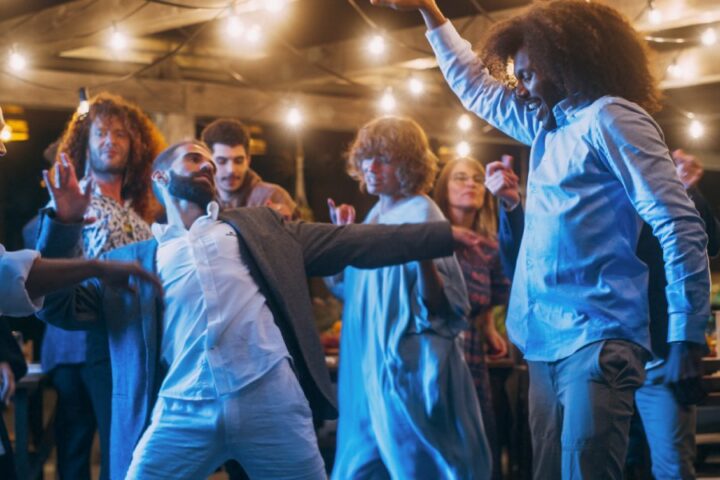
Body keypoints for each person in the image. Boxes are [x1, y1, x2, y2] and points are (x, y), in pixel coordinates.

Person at [369, 1, 711, 478]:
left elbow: (679, 223)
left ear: (566, 61)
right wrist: (430, 11)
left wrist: (687, 334)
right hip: (543, 342)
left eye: (529, 72)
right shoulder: (548, 129)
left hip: (597, 338)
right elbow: (475, 87)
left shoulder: (611, 118)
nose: (521, 84)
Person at [37, 138, 488, 480]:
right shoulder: (131, 260)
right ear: (160, 177)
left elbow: (353, 242)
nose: (208, 166)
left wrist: (438, 236)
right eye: (195, 158)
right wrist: (64, 222)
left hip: (270, 401)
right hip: (181, 410)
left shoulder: (259, 229)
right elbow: (60, 308)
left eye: (209, 162)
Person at [0, 104, 160, 480]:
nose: (111, 141)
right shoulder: (67, 202)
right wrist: (88, 259)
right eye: (102, 133)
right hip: (75, 345)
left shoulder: (140, 214)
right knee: (75, 452)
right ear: (83, 146)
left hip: (122, 345)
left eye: (121, 134)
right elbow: (24, 267)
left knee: (121, 447)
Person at [326, 116, 490, 479]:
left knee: (415, 466)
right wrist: (343, 241)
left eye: (383, 158)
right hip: (370, 370)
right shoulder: (374, 216)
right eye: (367, 157)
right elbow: (351, 293)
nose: (371, 167)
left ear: (408, 165)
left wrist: (423, 256)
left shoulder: (421, 214)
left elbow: (446, 307)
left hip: (406, 374)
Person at [434, 156, 510, 480]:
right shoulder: (431, 239)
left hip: (473, 361)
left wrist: (490, 326)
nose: (471, 184)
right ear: (443, 189)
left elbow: (492, 300)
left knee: (478, 454)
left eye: (478, 179)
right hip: (435, 361)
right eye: (460, 178)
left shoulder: (491, 248)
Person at [201, 118, 297, 218]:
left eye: (238, 161)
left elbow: (300, 232)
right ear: (209, 162)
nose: (231, 170)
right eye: (222, 161)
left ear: (248, 160)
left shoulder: (272, 196)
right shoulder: (199, 199)